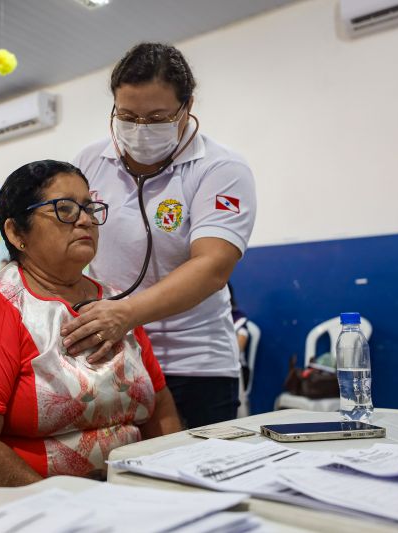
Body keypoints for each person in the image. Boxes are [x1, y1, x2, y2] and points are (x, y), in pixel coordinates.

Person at [0, 160, 181, 487]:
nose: (86, 220)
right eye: (64, 209)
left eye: (89, 208)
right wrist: (57, 507)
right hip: (36, 502)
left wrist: (176, 479)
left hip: (133, 491)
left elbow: (161, 407)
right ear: (16, 232)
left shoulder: (117, 303)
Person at [66, 42, 257, 428]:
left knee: (191, 480)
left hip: (195, 364)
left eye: (157, 118)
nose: (140, 129)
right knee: (116, 476)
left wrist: (126, 313)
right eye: (127, 115)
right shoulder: (88, 161)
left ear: (187, 107)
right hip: (114, 356)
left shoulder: (221, 168)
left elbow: (212, 266)